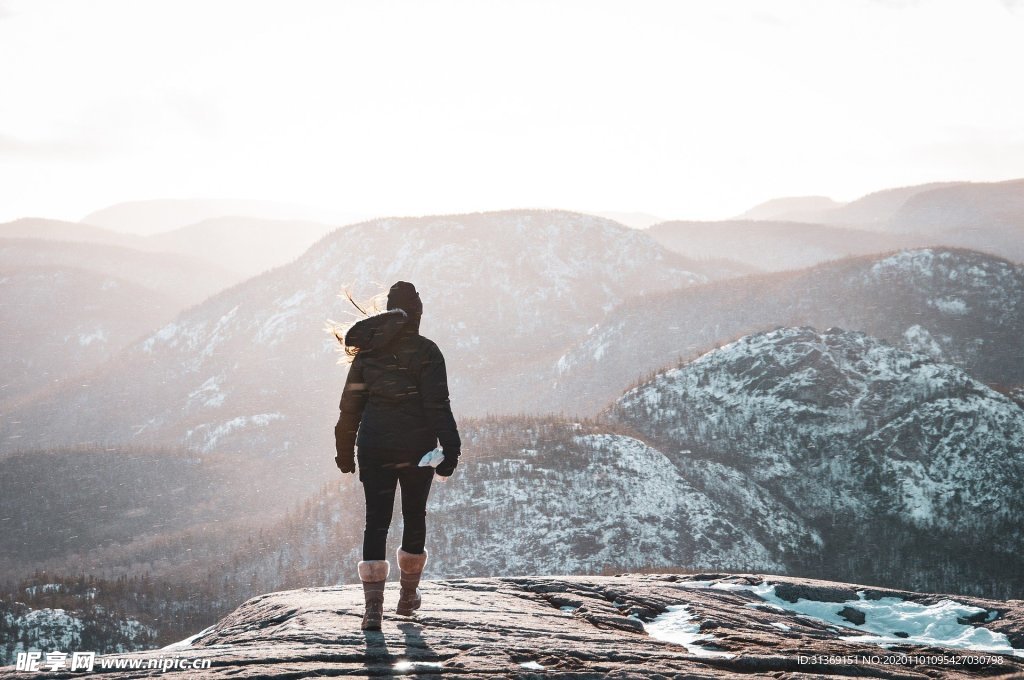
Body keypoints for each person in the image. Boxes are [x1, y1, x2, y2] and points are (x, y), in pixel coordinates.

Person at [334, 281, 461, 630]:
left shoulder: (367, 354)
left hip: (374, 448)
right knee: (414, 515)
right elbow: (438, 406)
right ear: (416, 314)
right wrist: (451, 451)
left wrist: (345, 451)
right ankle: (407, 597)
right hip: (417, 450)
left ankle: (372, 609)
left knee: (376, 521)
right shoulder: (427, 352)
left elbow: (350, 408)